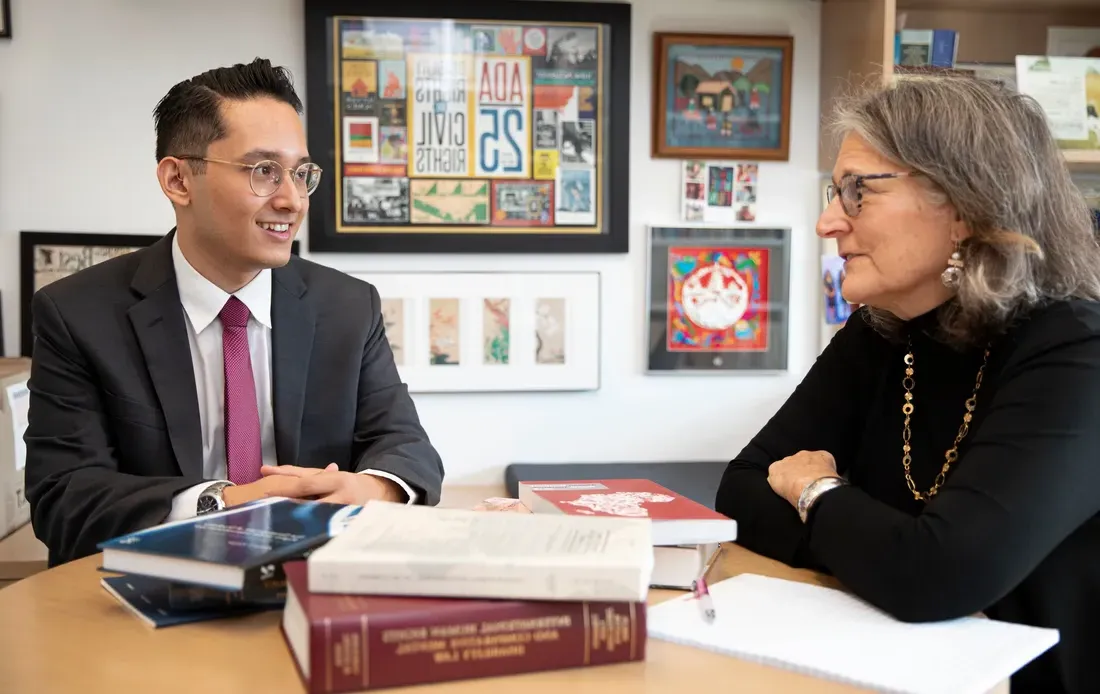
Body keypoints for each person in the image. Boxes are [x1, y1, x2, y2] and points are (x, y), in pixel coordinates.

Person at [715, 76, 1100, 694]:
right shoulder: (883, 332)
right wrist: (888, 556)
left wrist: (816, 492)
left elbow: (938, 574)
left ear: (965, 206)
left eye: (856, 192)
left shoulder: (1077, 352)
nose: (826, 222)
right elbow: (740, 489)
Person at [24, 58, 444, 567]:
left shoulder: (348, 306)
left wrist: (372, 489)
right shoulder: (77, 313)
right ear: (178, 180)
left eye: (301, 174)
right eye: (264, 171)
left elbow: (405, 446)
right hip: (154, 591)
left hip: (310, 587)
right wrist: (223, 504)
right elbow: (64, 500)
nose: (292, 200)